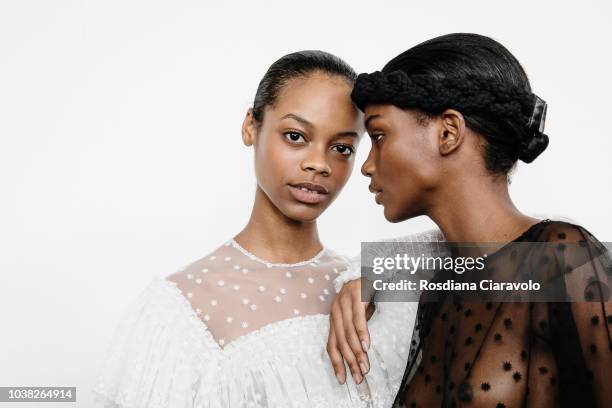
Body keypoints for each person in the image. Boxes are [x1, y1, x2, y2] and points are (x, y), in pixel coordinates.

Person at [92, 50, 416, 408]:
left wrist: (383, 266)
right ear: (251, 126)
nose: (318, 164)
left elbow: (489, 265)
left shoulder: (369, 286)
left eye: (341, 148)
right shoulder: (179, 311)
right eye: (295, 136)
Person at [327, 33, 612, 407]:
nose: (366, 166)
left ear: (448, 132)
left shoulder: (564, 257)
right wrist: (368, 270)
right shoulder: (437, 289)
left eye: (379, 135)